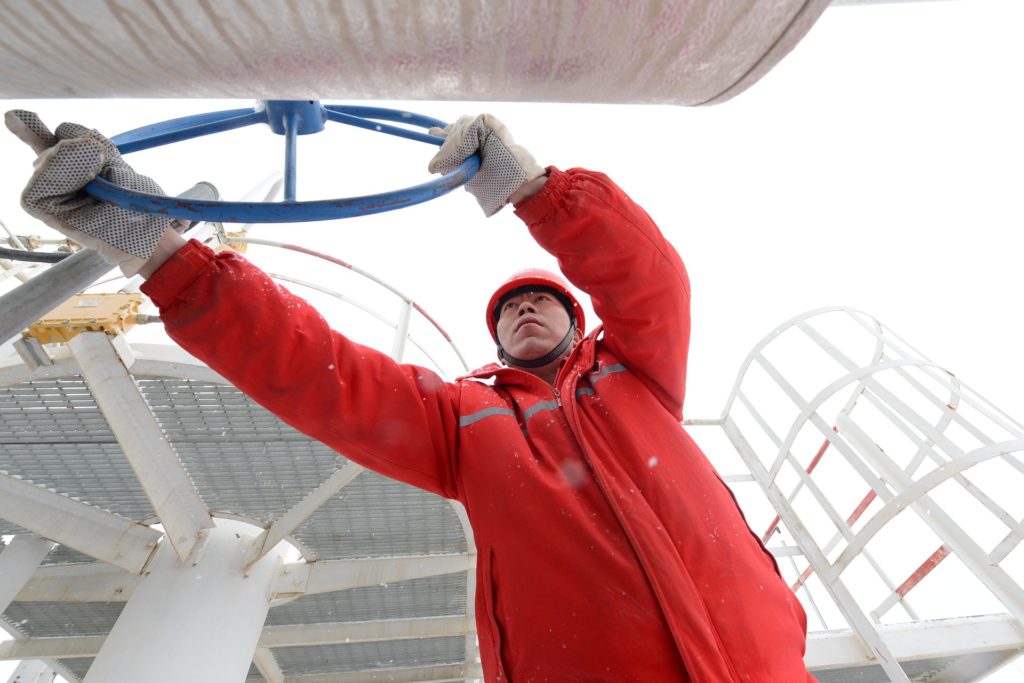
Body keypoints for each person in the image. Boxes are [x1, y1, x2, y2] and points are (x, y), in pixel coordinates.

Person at [6, 110, 814, 682]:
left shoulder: (635, 374)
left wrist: (532, 188)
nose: (526, 306)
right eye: (511, 309)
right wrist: (153, 245)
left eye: (544, 300)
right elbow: (318, 370)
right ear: (496, 341)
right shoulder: (464, 422)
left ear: (577, 318)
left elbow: (650, 280)